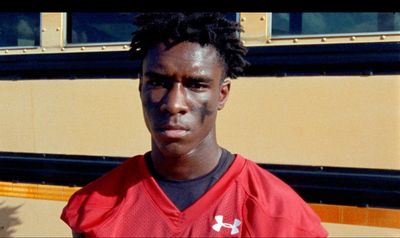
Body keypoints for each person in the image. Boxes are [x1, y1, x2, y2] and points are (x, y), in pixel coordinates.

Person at [61, 12, 328, 237]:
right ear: (141, 87)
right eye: (158, 82)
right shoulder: (95, 206)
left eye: (196, 84)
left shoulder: (280, 217)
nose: (174, 103)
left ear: (222, 94)